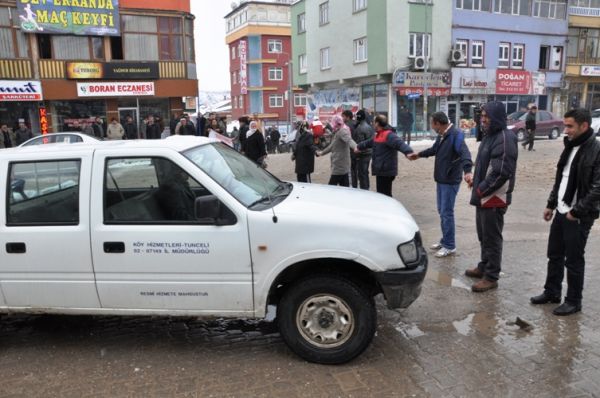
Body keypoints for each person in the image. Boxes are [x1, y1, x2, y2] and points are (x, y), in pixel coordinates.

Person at [531, 108, 600, 316]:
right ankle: (552, 292)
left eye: (570, 126)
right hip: (562, 210)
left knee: (574, 260)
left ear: (584, 126)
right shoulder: (570, 146)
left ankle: (573, 301)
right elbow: (561, 178)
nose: (566, 129)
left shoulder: (596, 149)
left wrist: (577, 211)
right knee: (554, 254)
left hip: (577, 215)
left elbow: (598, 187)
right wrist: (551, 204)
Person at [464, 101, 518, 293]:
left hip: (494, 198)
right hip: (484, 195)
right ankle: (484, 266)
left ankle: (491, 276)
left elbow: (501, 172)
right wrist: (475, 181)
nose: (483, 119)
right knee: (483, 236)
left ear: (496, 117)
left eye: (486, 116)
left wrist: (481, 189)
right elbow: (485, 165)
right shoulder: (490, 135)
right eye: (482, 116)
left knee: (492, 238)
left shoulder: (505, 137)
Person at [408, 112, 473, 258]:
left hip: (450, 180)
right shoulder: (442, 135)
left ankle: (450, 246)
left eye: (432, 123)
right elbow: (434, 150)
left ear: (438, 123)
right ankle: (445, 241)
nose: (431, 126)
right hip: (442, 179)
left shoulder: (456, 135)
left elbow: (465, 153)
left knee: (446, 213)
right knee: (442, 211)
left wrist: (468, 171)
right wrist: (418, 155)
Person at [355, 115, 414, 197]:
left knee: (385, 195)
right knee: (382, 194)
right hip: (381, 170)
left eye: (374, 122)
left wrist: (408, 152)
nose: (372, 124)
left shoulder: (388, 134)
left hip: (386, 170)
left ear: (377, 124)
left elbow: (400, 143)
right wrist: (359, 146)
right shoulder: (379, 135)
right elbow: (369, 142)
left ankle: (390, 209)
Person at [317, 115, 357, 187]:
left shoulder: (342, 131)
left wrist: (356, 147)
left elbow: (349, 140)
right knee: (344, 187)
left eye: (333, 123)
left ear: (336, 123)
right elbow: (331, 146)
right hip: (340, 164)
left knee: (331, 187)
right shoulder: (338, 131)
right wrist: (322, 153)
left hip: (340, 164)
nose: (332, 125)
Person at [352, 109, 374, 190]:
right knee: (365, 172)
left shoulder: (360, 128)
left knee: (362, 173)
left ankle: (364, 190)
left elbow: (360, 143)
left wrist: (357, 153)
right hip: (369, 153)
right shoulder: (369, 127)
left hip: (362, 154)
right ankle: (367, 187)